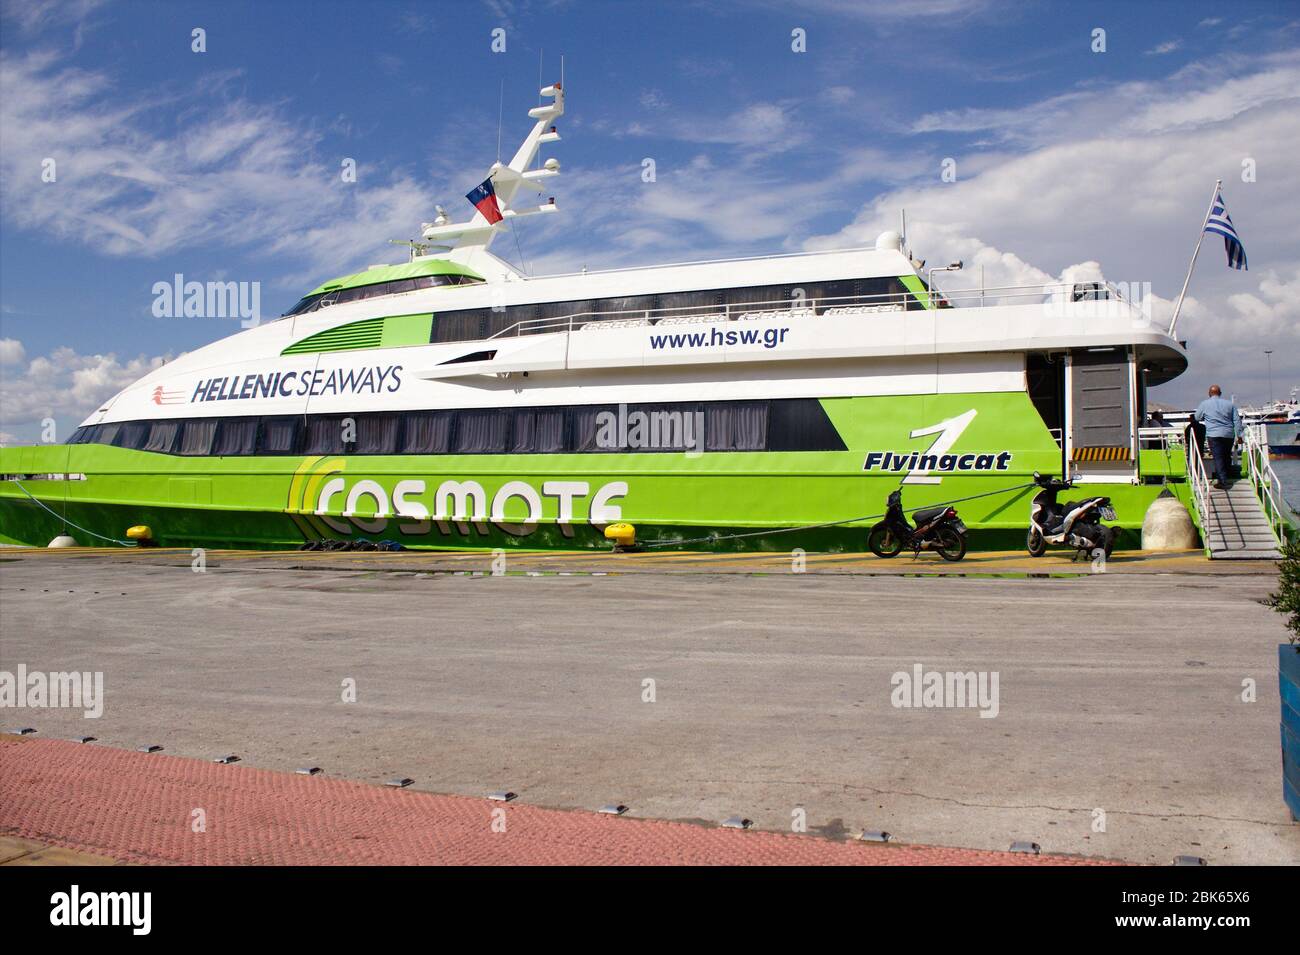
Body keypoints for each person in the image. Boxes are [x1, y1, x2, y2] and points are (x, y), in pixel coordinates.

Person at [1194, 385, 1242, 489]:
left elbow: (1197, 417)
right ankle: (1226, 477)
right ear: (1220, 393)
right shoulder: (1230, 405)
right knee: (1226, 456)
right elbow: (1237, 421)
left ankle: (1223, 482)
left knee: (1218, 457)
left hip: (1213, 435)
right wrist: (1239, 435)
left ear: (1209, 393)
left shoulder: (1204, 404)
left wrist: (1205, 417)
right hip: (1228, 434)